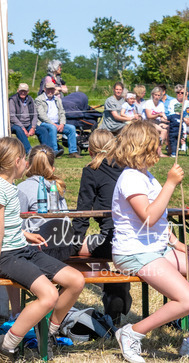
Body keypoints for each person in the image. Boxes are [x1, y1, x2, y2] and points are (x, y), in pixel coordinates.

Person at [0, 137, 85, 360]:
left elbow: (8, 224)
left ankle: (48, 334)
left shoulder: (9, 187)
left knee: (76, 280)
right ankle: (6, 344)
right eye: (24, 157)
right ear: (17, 161)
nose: (26, 162)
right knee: (49, 295)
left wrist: (26, 234)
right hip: (4, 256)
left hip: (21, 249)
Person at [111, 120, 189, 361]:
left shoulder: (146, 176)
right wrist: (171, 183)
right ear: (144, 147)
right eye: (157, 142)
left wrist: (177, 243)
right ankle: (132, 333)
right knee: (188, 299)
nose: (162, 145)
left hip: (157, 248)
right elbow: (149, 217)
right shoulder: (131, 178)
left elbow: (159, 222)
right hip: (134, 253)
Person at [73, 129, 130, 324]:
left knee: (66, 252)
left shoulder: (91, 171)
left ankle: (110, 286)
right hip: (134, 239)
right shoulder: (127, 169)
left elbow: (83, 211)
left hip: (110, 240)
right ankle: (114, 288)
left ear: (90, 149)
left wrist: (74, 239)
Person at [15, 146, 74, 261]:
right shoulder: (57, 188)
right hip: (64, 246)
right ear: (52, 168)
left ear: (27, 164)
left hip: (37, 251)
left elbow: (18, 226)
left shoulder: (21, 189)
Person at [34, 79, 78, 157]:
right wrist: (54, 124)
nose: (50, 91)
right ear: (44, 89)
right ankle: (54, 151)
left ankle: (73, 152)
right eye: (48, 89)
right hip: (44, 123)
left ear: (54, 90)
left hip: (57, 123)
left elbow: (62, 112)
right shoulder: (39, 99)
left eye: (52, 89)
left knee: (71, 128)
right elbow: (42, 115)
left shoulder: (57, 99)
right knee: (52, 128)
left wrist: (62, 124)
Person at [7, 84, 37, 154]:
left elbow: (35, 114)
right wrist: (23, 128)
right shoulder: (12, 100)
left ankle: (50, 151)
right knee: (19, 130)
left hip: (28, 124)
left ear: (28, 91)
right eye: (21, 91)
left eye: (24, 91)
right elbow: (12, 116)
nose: (23, 93)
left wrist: (33, 127)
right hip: (15, 124)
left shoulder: (31, 99)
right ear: (18, 90)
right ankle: (29, 151)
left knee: (42, 130)